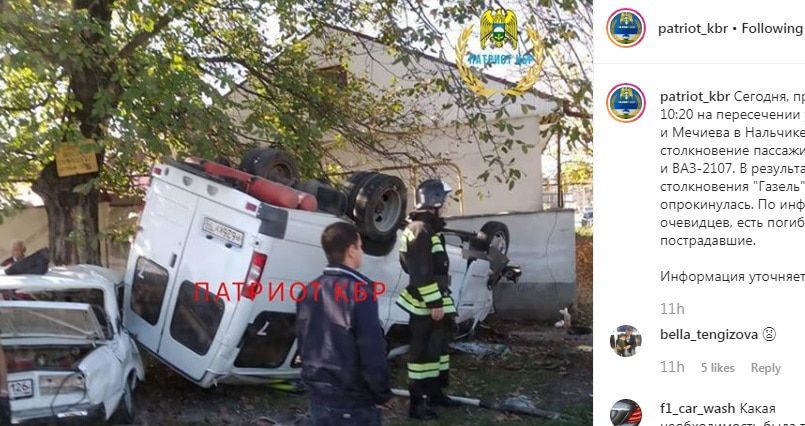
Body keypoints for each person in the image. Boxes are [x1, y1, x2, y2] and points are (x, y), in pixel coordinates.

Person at [296, 222, 391, 426]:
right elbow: (371, 350)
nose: (362, 252)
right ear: (351, 250)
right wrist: (381, 393)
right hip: (353, 402)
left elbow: (304, 344)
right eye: (360, 246)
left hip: (318, 398)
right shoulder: (360, 292)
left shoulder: (308, 290)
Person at [396, 179, 459, 421]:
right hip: (426, 302)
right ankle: (417, 403)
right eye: (444, 199)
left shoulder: (426, 228)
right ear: (436, 200)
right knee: (422, 355)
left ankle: (435, 393)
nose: (446, 205)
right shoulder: (420, 229)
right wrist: (434, 303)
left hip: (435, 298)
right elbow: (420, 270)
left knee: (437, 350)